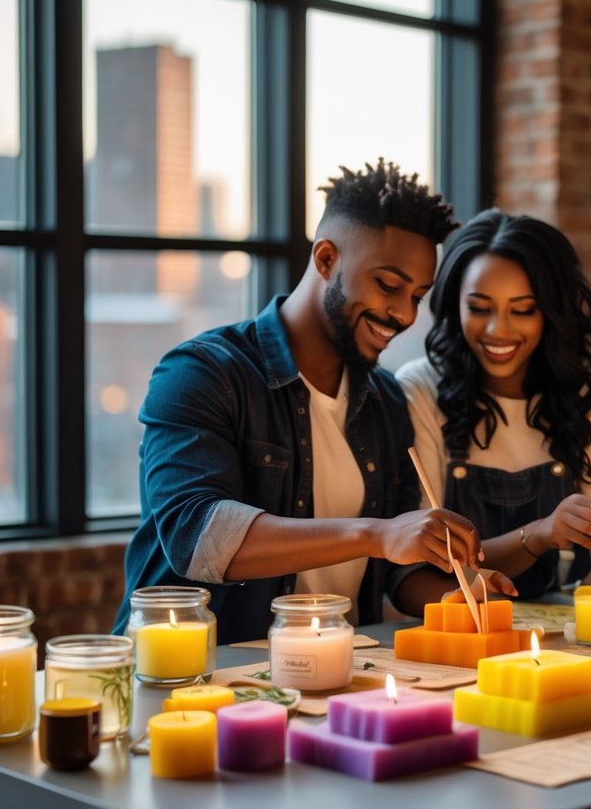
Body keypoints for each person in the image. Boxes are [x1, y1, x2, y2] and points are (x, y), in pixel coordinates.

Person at [113, 159, 496, 644]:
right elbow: (198, 538)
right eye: (388, 285)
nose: (403, 313)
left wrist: (455, 593)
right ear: (326, 259)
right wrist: (377, 533)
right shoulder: (202, 373)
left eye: (418, 296)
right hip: (200, 679)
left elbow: (395, 575)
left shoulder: (387, 403)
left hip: (333, 677)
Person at [397, 208, 591, 599]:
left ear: (551, 313)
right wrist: (540, 533)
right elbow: (419, 571)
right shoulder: (421, 390)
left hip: (559, 631)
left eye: (522, 310)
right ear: (455, 305)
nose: (497, 329)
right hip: (461, 629)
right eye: (479, 308)